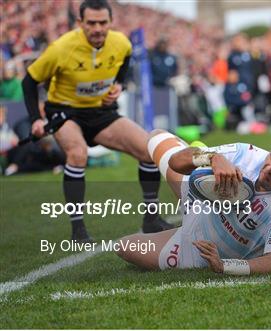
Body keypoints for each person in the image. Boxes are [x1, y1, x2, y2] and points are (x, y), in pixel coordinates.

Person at [21, 0, 172, 242]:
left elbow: (125, 60)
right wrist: (36, 119)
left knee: (148, 149)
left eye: (103, 22)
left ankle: (151, 219)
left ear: (110, 22)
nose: (98, 28)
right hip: (65, 111)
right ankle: (77, 229)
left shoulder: (121, 42)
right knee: (77, 153)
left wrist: (119, 85)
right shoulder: (61, 48)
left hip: (101, 112)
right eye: (91, 23)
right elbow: (29, 81)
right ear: (80, 23)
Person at [116, 131, 271, 275]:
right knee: (157, 137)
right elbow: (175, 162)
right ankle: (201, 154)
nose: (270, 167)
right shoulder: (246, 153)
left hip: (203, 246)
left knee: (124, 246)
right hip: (198, 197)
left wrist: (225, 266)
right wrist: (212, 158)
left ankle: (180, 230)